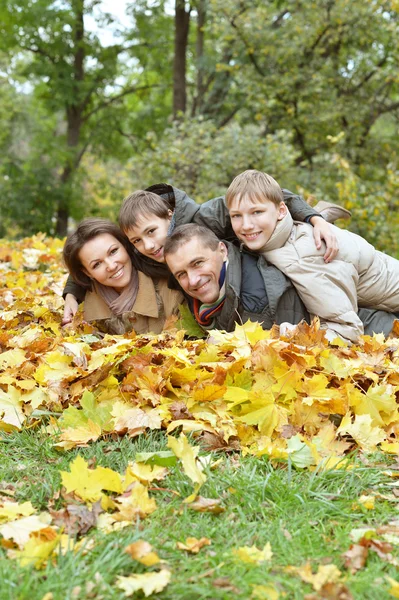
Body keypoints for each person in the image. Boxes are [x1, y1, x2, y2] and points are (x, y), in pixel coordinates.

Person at [62, 183, 342, 324]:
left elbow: (270, 193)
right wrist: (71, 293)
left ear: (170, 216)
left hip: (255, 253)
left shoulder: (203, 218)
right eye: (136, 240)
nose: (147, 245)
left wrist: (314, 218)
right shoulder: (143, 253)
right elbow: (92, 253)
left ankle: (322, 212)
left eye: (151, 232)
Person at [224, 170, 399, 342]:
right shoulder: (276, 239)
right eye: (237, 216)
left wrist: (292, 335)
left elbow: (346, 329)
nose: (246, 225)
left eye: (257, 212)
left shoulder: (303, 257)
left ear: (281, 211)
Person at [163, 224, 399, 338]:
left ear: (222, 251)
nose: (192, 280)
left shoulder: (254, 302)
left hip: (373, 332)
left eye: (197, 263)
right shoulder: (226, 281)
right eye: (181, 274)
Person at [63, 218, 183, 335]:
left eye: (113, 251)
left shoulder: (172, 293)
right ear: (87, 272)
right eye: (97, 264)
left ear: (125, 246)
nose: (111, 266)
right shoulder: (80, 314)